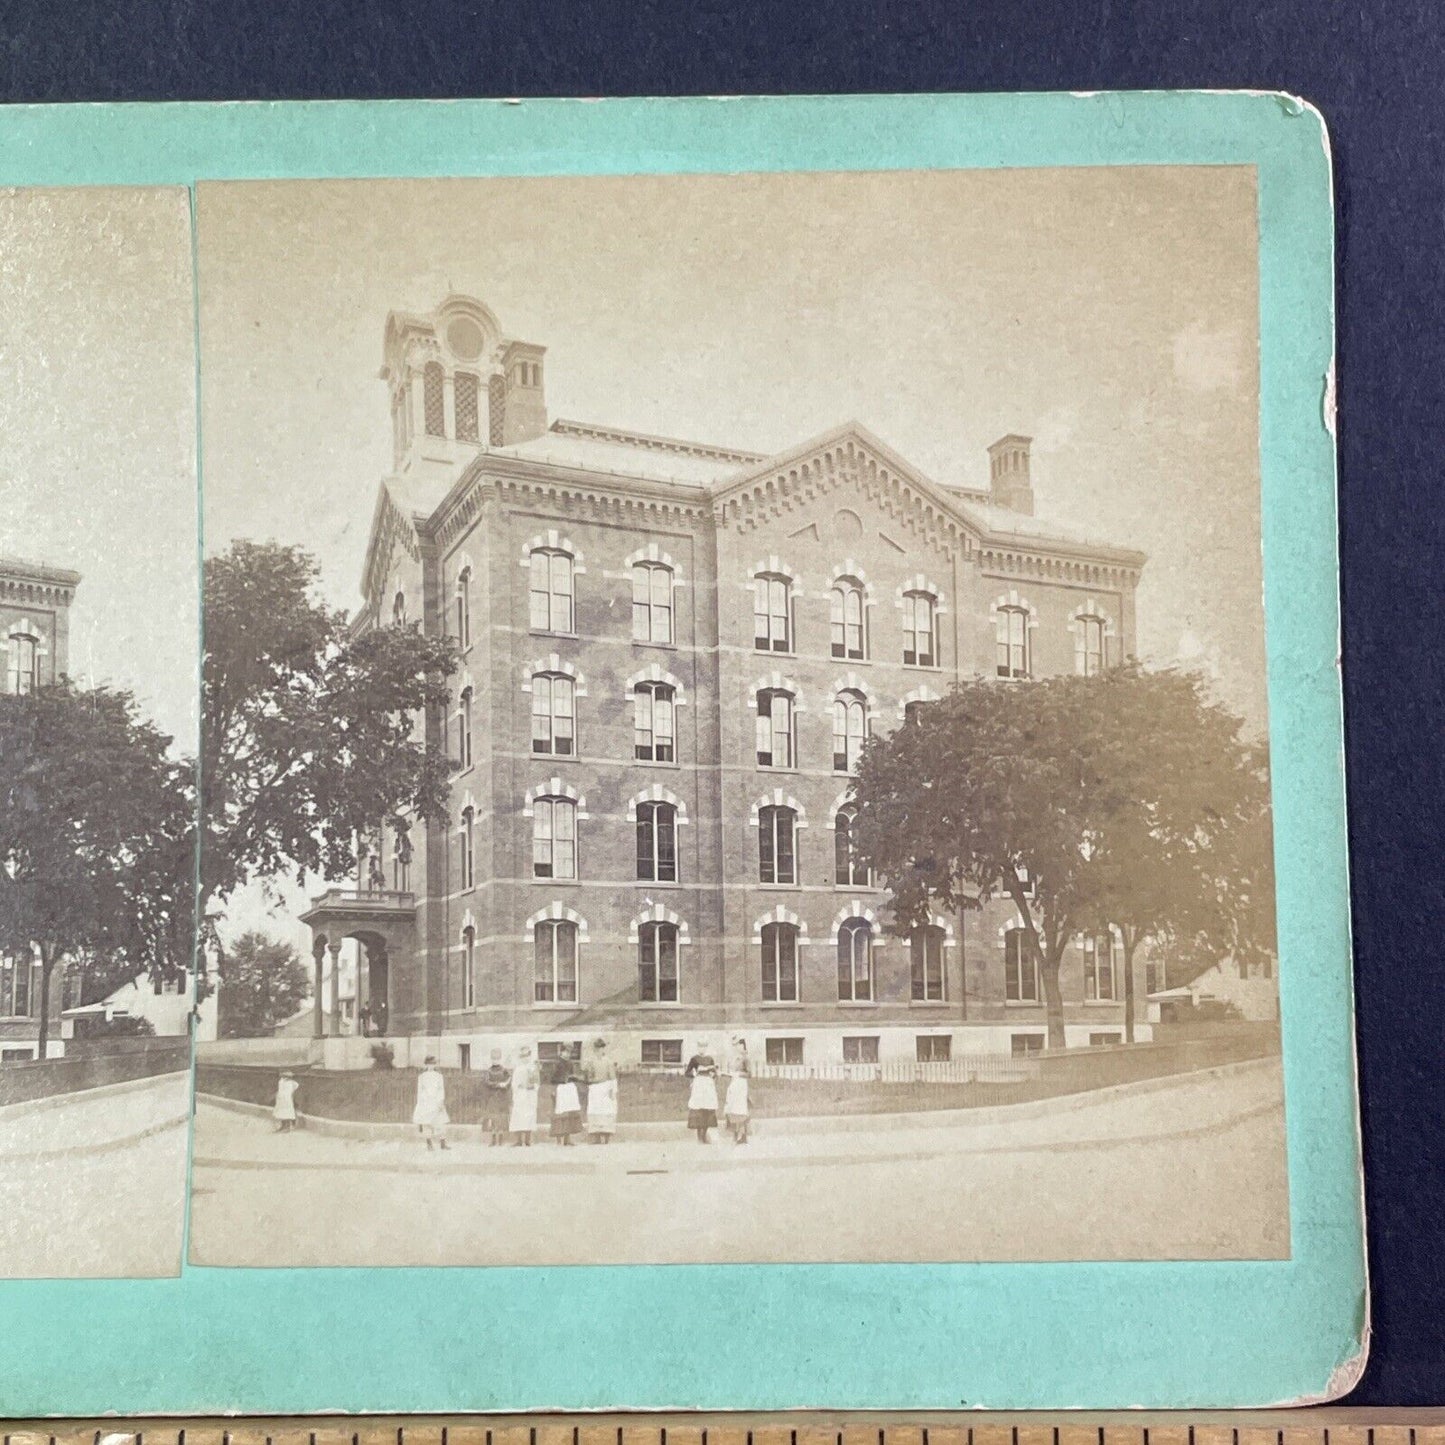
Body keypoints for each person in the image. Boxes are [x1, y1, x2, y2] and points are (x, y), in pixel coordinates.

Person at [683, 1039, 720, 1143]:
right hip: (699, 1084)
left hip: (708, 1084)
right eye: (700, 1047)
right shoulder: (694, 1059)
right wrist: (695, 1074)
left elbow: (714, 1073)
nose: (702, 1049)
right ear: (697, 1047)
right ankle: (700, 1136)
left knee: (708, 1109)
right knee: (699, 1109)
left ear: (706, 1048)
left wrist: (713, 1074)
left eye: (703, 1047)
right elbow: (687, 1072)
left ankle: (704, 1135)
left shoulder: (710, 1059)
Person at [583, 1036, 618, 1143]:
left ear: (604, 1049)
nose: (599, 1050)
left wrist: (613, 1090)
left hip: (606, 1089)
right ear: (594, 1049)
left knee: (606, 1110)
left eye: (601, 1048)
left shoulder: (608, 1061)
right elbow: (588, 1077)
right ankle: (596, 1136)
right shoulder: (591, 1061)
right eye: (597, 1048)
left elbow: (612, 1077)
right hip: (595, 1089)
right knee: (595, 1111)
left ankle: (606, 1137)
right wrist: (592, 1079)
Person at [412, 1055, 450, 1150]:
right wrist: (420, 1104)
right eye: (429, 1064)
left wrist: (441, 1101)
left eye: (433, 1064)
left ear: (435, 1065)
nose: (431, 1066)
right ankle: (429, 1144)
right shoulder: (422, 1077)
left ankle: (443, 1143)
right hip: (426, 1102)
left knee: (440, 1123)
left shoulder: (438, 1076)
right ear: (426, 1065)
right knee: (426, 1123)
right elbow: (420, 1091)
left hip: (436, 1102)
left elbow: (441, 1089)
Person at [509, 1044, 541, 1146]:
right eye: (523, 1057)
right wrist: (517, 1090)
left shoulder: (533, 1068)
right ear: (521, 1058)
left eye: (527, 1056)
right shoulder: (518, 1069)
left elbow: (537, 1082)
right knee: (519, 1115)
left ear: (530, 1056)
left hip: (530, 1094)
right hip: (521, 1094)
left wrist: (533, 1087)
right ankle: (519, 1140)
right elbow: (514, 1083)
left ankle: (527, 1140)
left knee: (529, 1115)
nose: (525, 1058)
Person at [480, 1048, 512, 1146]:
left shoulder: (504, 1070)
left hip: (502, 1097)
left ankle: (501, 1140)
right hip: (492, 1097)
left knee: (502, 1118)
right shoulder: (489, 1071)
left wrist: (505, 1084)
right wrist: (498, 1084)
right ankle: (493, 1140)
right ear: (491, 1059)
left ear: (500, 1059)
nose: (495, 1060)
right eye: (493, 1058)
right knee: (493, 1118)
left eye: (497, 1058)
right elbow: (486, 1082)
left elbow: (509, 1080)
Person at [550, 1053, 583, 1145]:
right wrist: (560, 1082)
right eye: (565, 1052)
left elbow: (572, 1076)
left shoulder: (570, 1063)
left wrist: (573, 1078)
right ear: (561, 1052)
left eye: (569, 1052)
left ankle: (567, 1139)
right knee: (559, 1115)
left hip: (569, 1089)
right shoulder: (556, 1063)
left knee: (569, 1115)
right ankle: (558, 1140)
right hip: (560, 1089)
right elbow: (552, 1078)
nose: (567, 1054)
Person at [724, 1036, 751, 1144]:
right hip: (734, 1084)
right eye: (735, 1045)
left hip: (741, 1085)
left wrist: (738, 1074)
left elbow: (749, 1074)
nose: (737, 1047)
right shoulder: (734, 1058)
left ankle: (742, 1135)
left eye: (739, 1045)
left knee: (740, 1108)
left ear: (743, 1046)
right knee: (732, 1108)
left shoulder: (745, 1058)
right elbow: (732, 1071)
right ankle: (736, 1133)